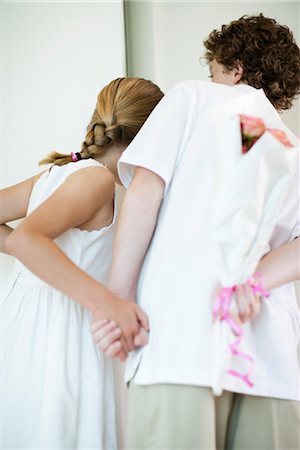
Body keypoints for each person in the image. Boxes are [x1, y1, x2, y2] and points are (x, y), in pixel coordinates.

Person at [92, 14, 300, 450]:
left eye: (214, 71)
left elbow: (145, 193)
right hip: (269, 357)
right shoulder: (292, 149)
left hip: (181, 335)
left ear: (235, 68)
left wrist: (116, 298)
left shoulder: (193, 97)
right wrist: (253, 282)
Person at [0, 77, 163, 449]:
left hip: (30, 327)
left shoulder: (59, 175)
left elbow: (30, 244)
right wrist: (107, 302)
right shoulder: (96, 182)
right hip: (65, 332)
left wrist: (39, 259)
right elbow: (28, 239)